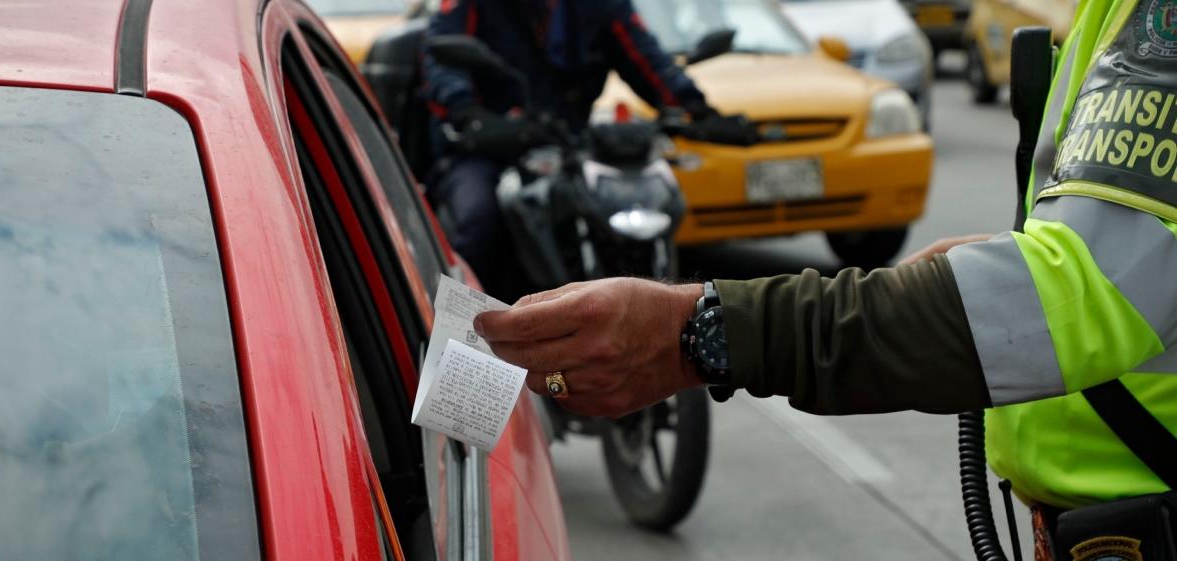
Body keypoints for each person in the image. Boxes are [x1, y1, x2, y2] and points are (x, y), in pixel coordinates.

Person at [473, 0, 1177, 557]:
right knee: (476, 215)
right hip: (1101, 521)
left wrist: (696, 332)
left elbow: (1076, 292)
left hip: (1144, 519)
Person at [421, 0, 717, 297]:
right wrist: (465, 112)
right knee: (480, 219)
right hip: (485, 146)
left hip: (566, 145)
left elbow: (645, 55)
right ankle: (456, 316)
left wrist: (697, 109)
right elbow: (442, 58)